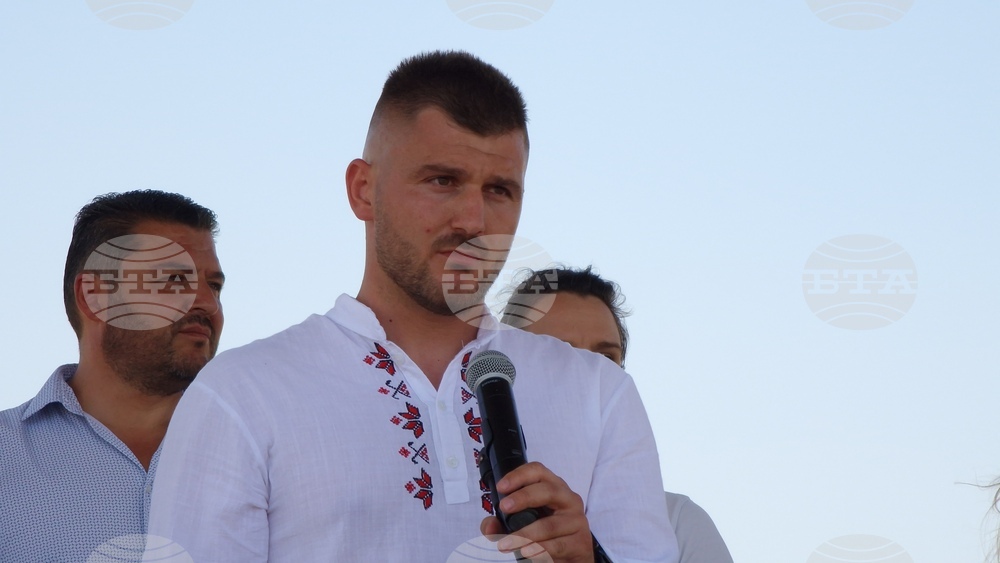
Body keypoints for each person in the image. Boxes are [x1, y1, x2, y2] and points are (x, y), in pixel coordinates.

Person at [147, 51, 676, 562]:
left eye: (499, 190)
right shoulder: (242, 394)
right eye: (442, 180)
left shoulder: (599, 395)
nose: (473, 221)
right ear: (363, 190)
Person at [0, 190, 225, 562]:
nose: (207, 303)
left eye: (214, 286)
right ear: (94, 296)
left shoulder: (264, 449)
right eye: (173, 279)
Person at [502, 266, 735, 563]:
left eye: (605, 358)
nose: (590, 375)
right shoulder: (460, 507)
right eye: (558, 352)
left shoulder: (679, 524)